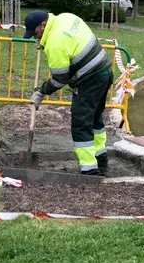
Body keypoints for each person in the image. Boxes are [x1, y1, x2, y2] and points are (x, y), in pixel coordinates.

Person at [25, 10, 113, 176]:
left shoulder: (55, 42)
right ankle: (101, 161)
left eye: (35, 33)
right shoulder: (66, 17)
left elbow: (60, 79)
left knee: (81, 122)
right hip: (105, 71)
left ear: (43, 25)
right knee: (94, 119)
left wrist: (41, 92)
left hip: (90, 79)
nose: (34, 37)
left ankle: (89, 169)